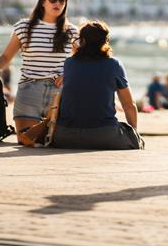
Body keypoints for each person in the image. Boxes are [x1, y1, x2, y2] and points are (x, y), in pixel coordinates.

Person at [0, 0, 75, 143]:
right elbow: (6, 57)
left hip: (59, 93)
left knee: (55, 142)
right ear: (43, 1)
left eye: (62, 0)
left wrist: (70, 74)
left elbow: (83, 60)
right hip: (30, 89)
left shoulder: (71, 31)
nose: (58, 3)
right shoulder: (24, 27)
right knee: (26, 140)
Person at [50, 20, 143, 150]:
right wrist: (134, 133)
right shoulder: (114, 64)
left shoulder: (69, 63)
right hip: (104, 135)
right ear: (105, 41)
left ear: (82, 40)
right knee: (134, 138)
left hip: (65, 135)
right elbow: (129, 105)